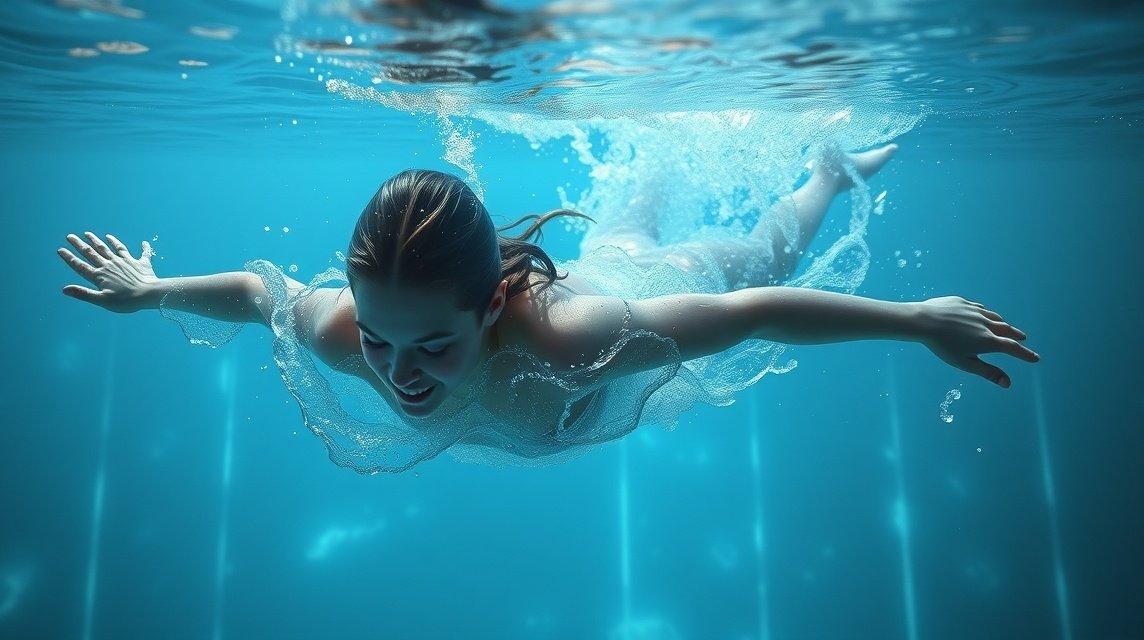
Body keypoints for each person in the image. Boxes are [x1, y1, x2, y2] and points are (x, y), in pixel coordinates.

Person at [57, 145, 1039, 471]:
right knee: (621, 227)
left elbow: (750, 312)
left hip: (633, 293)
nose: (395, 372)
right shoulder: (350, 330)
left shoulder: (578, 339)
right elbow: (263, 292)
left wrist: (914, 318)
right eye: (382, 337)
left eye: (431, 344)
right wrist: (151, 292)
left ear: (492, 309)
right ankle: (657, 141)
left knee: (744, 247)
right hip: (583, 273)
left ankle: (823, 173)